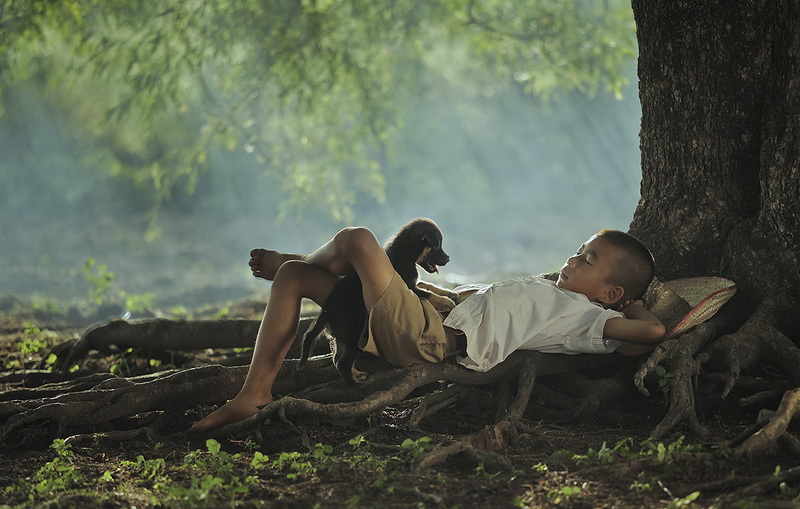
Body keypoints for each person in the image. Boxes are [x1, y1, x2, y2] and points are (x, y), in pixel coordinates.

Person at [190, 225, 665, 432]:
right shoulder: (552, 293)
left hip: (429, 339)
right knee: (298, 280)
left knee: (357, 240)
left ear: (611, 296)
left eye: (587, 260)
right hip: (428, 317)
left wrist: (640, 309)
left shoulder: (591, 318)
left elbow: (651, 335)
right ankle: (256, 392)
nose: (571, 259)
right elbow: (481, 301)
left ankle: (290, 262)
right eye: (578, 249)